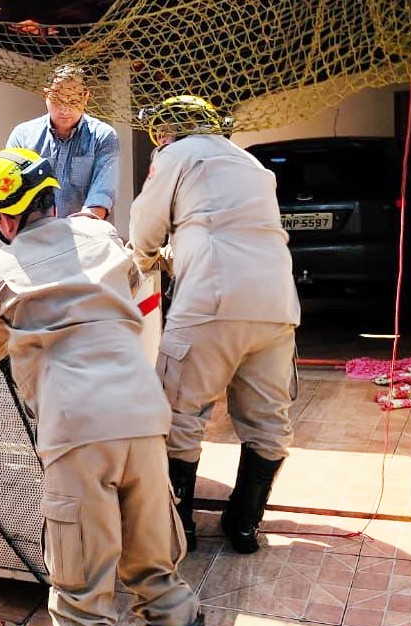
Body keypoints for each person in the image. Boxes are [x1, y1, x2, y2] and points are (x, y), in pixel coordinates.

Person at [0, 148, 232, 626]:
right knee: (158, 576)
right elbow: (134, 284)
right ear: (51, 198)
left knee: (82, 597)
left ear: (2, 220)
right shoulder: (101, 233)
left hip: (77, 429)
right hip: (144, 417)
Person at [130, 95, 301, 555]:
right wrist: (177, 256)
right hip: (276, 304)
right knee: (268, 421)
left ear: (166, 132)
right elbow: (229, 228)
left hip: (211, 302)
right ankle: (244, 525)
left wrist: (146, 258)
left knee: (179, 417)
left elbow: (146, 224)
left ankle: (178, 530)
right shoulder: (251, 164)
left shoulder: (175, 154)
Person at [5, 64, 120, 220]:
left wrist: (68, 236)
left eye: (73, 101)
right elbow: (10, 193)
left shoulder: (103, 136)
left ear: (85, 96)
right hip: (35, 236)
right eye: (57, 100)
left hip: (85, 234)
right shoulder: (23, 136)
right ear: (45, 95)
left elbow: (101, 196)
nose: (65, 110)